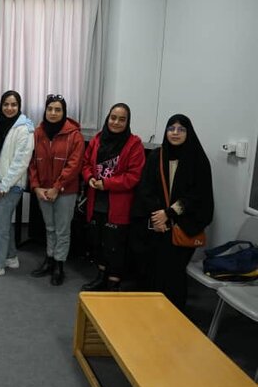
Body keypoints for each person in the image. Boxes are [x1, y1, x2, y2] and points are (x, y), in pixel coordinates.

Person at [133, 114, 213, 309]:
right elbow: (146, 189)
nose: (175, 133)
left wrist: (169, 214)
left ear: (188, 133)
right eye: (171, 128)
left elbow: (199, 195)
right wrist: (158, 216)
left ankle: (174, 313)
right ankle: (153, 310)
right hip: (158, 225)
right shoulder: (157, 156)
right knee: (154, 269)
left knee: (174, 273)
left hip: (183, 226)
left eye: (181, 129)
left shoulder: (198, 160)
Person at [80, 103, 145, 292]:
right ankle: (101, 277)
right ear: (107, 118)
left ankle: (113, 283)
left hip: (118, 204)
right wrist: (89, 178)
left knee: (115, 245)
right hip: (96, 201)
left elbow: (133, 176)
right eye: (113, 118)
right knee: (98, 241)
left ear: (127, 122)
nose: (116, 122)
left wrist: (107, 184)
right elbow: (85, 163)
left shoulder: (134, 144)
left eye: (121, 119)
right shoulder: (97, 139)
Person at [28, 94, 84, 286]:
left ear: (64, 112)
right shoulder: (37, 133)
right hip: (43, 191)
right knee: (49, 227)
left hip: (65, 191)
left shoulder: (74, 135)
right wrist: (36, 187)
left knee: (62, 230)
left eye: (57, 109)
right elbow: (32, 162)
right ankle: (49, 259)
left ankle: (59, 264)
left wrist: (57, 187)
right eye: (50, 109)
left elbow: (74, 165)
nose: (53, 113)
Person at [0, 91, 34, 280]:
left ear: (19, 106)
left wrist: (6, 184)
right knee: (3, 222)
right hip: (0, 182)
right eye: (6, 104)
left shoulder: (24, 129)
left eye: (13, 105)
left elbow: (21, 161)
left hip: (11, 184)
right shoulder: (2, 124)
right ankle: (10, 257)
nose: (9, 108)